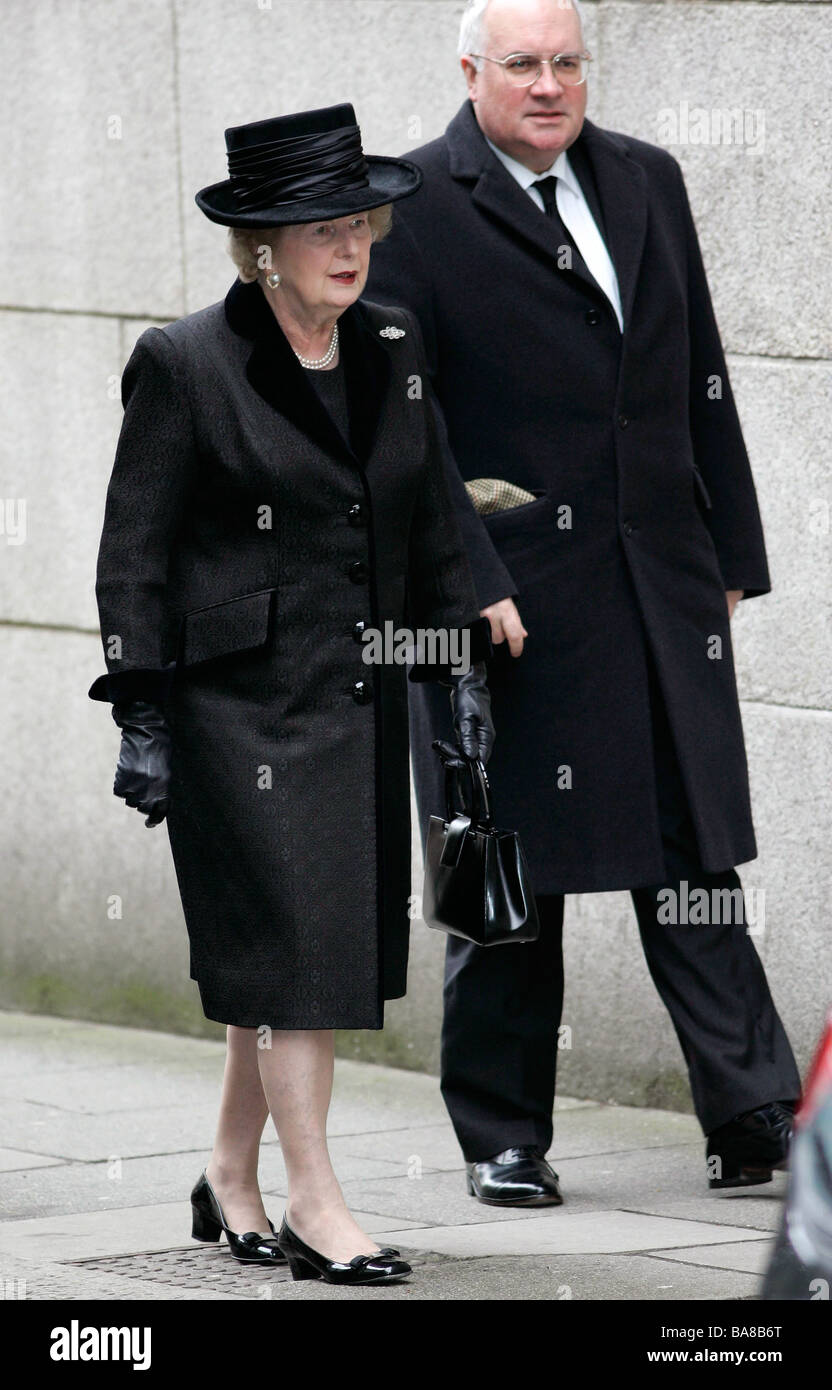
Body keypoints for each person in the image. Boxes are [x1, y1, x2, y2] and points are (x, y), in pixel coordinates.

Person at [366, 0, 802, 1205]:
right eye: (522, 65)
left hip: (655, 580)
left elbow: (698, 368)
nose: (549, 84)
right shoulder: (413, 205)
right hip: (510, 599)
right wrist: (466, 578)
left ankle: (752, 1110)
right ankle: (503, 1135)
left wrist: (732, 547)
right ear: (471, 72)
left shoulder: (644, 179)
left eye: (566, 62)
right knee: (508, 870)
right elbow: (406, 426)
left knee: (693, 850)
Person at [87, 102, 494, 1285]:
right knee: (298, 960)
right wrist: (144, 714)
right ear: (261, 246)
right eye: (321, 227)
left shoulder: (393, 348)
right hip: (237, 714)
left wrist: (454, 674)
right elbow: (136, 555)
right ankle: (318, 1202)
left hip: (357, 701)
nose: (350, 244)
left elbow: (429, 528)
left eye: (359, 220)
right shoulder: (185, 363)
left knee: (284, 958)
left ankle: (229, 1171)